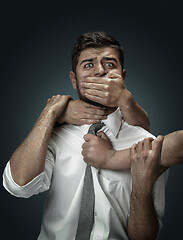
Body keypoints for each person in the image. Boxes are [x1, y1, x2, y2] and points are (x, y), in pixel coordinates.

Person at [3, 32, 168, 240]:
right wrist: (51, 112)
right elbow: (18, 186)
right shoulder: (52, 135)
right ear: (74, 80)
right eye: (88, 65)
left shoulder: (145, 144)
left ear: (122, 77)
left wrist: (142, 182)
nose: (100, 71)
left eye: (109, 64)